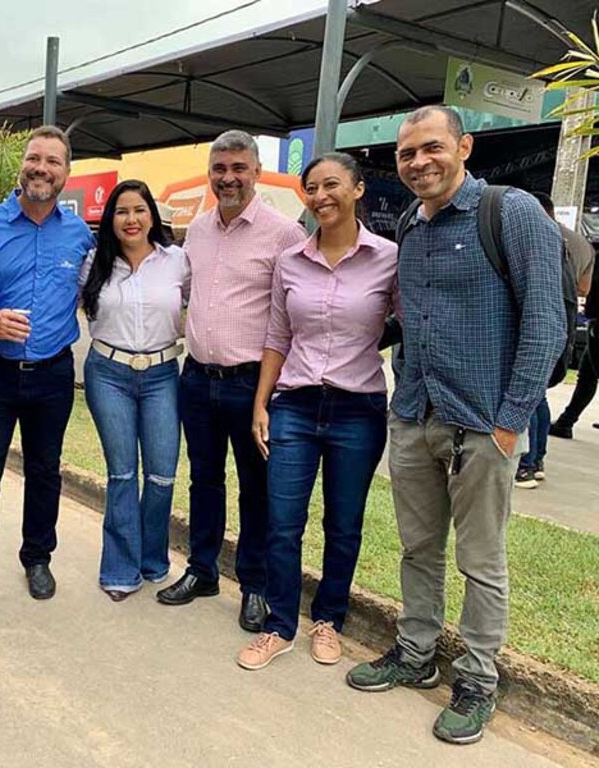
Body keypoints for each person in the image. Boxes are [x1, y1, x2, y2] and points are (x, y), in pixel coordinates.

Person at [345, 106, 564, 745]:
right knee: (418, 547)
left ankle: (476, 678)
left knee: (481, 559)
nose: (418, 163)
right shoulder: (412, 222)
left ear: (463, 147)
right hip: (414, 415)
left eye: (431, 148)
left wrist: (508, 424)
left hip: (482, 425)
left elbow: (547, 325)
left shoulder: (511, 213)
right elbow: (412, 319)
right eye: (407, 153)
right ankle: (415, 654)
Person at [241, 153, 397, 670]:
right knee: (282, 521)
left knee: (344, 523)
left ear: (357, 190)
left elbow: (411, 322)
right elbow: (277, 336)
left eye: (332, 184)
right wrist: (262, 402)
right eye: (312, 187)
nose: (321, 195)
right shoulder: (291, 261)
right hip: (297, 406)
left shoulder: (389, 258)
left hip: (359, 409)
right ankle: (280, 625)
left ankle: (328, 618)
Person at [156, 130, 307, 635]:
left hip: (252, 386)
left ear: (257, 172)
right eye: (219, 169)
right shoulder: (195, 230)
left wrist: (268, 395)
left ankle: (255, 585)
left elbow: (288, 320)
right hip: (196, 379)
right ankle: (201, 570)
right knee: (203, 480)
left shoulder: (285, 233)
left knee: (256, 490)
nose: (228, 178)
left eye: (239, 168)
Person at [0, 125, 94, 611]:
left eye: (53, 162)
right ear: (22, 165)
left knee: (45, 470)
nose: (42, 168)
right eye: (35, 158)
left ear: (66, 174)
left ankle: (37, 556)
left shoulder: (79, 235)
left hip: (53, 374)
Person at [79, 180, 189, 601]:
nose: (131, 219)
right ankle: (121, 570)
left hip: (163, 375)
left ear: (152, 216)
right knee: (122, 473)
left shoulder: (178, 261)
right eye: (122, 211)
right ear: (111, 219)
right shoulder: (94, 263)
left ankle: (153, 560)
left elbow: (206, 300)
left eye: (139, 210)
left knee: (162, 474)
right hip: (109, 374)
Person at [515, 192, 593, 486]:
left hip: (537, 316)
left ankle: (527, 463)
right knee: (540, 393)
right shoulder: (583, 244)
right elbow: (583, 288)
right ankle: (537, 460)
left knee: (527, 393)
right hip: (567, 320)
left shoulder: (535, 235)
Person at [545, 197, 597, 442]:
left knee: (532, 390)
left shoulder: (541, 234)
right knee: (587, 374)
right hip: (567, 312)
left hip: (545, 311)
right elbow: (584, 289)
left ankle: (532, 461)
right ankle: (566, 422)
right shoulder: (583, 245)